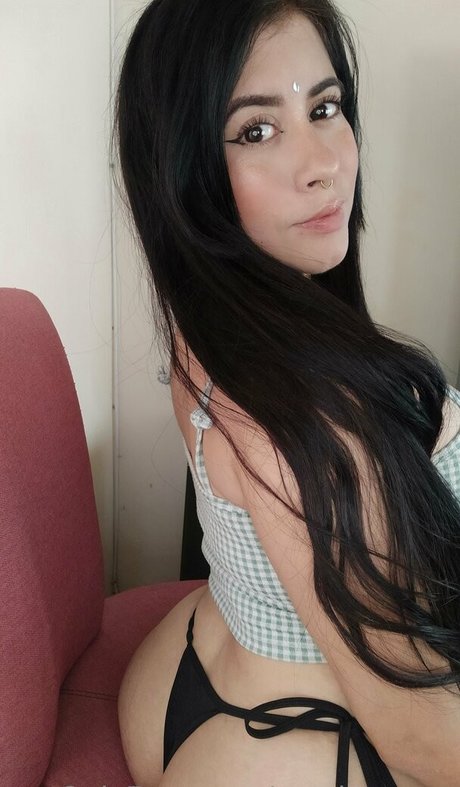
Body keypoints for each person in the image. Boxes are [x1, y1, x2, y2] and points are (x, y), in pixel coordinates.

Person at [112, 1, 460, 784]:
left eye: (325, 108)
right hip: (303, 746)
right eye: (257, 129)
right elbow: (422, 736)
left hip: (194, 671)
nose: (323, 162)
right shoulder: (322, 422)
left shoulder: (215, 319)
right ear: (186, 168)